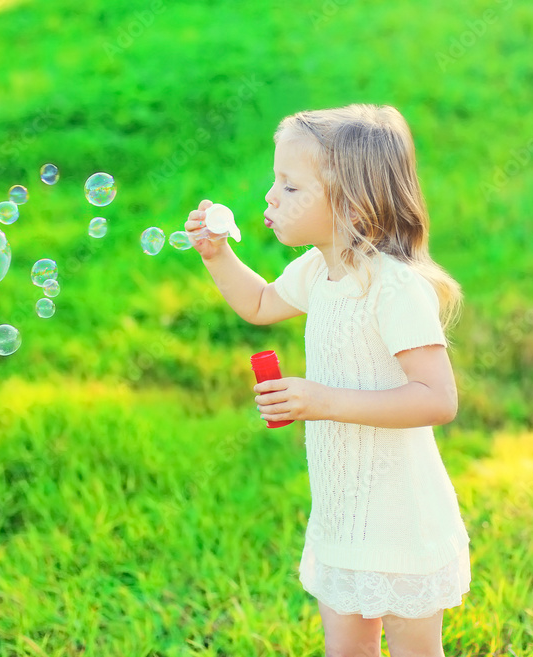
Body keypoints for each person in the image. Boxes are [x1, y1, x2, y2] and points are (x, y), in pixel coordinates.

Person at [185, 103, 471, 657]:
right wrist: (217, 255)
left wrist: (324, 399)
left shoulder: (394, 288)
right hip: (343, 513)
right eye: (276, 182)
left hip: (400, 516)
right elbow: (262, 302)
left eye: (290, 187)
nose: (270, 196)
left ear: (353, 204)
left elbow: (437, 399)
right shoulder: (321, 271)